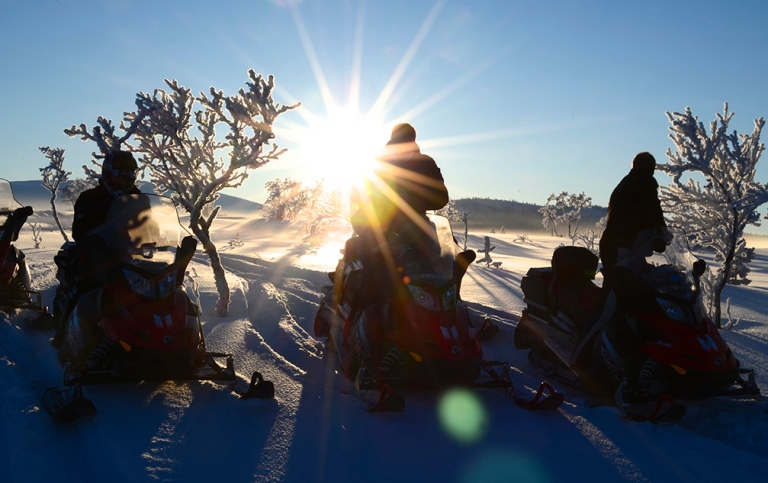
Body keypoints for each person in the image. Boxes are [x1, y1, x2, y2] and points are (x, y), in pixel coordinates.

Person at [52, 150, 141, 349]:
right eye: (119, 173)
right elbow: (80, 233)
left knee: (158, 286)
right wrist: (99, 244)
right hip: (97, 255)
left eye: (128, 174)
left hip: (130, 255)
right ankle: (63, 331)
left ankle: (165, 337)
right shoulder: (89, 198)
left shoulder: (138, 198)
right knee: (85, 287)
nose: (123, 179)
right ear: (108, 173)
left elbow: (150, 226)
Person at [599, 152, 668, 273]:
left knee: (621, 283)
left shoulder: (626, 183)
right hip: (623, 247)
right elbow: (652, 210)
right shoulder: (643, 184)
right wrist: (662, 232)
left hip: (615, 244)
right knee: (625, 283)